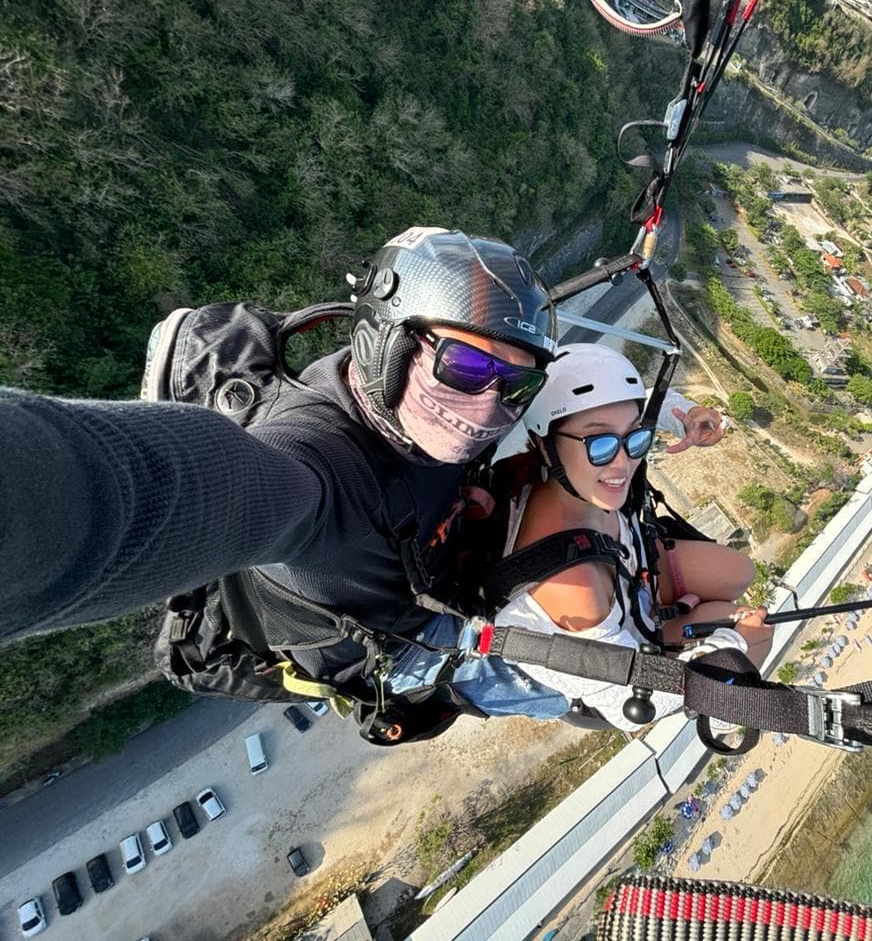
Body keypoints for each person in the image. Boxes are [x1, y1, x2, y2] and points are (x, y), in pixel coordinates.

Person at [0, 227, 729, 717]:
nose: (488, 403)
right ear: (388, 342)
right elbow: (131, 495)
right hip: (410, 650)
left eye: (514, 384)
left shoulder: (418, 405)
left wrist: (672, 415)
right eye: (464, 366)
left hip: (444, 562)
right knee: (625, 697)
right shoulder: (308, 473)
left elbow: (571, 393)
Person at [487, 343, 773, 730]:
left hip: (633, 571)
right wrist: (733, 648)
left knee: (739, 573)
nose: (623, 462)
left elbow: (626, 414)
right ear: (545, 443)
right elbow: (625, 705)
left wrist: (685, 414)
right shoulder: (573, 585)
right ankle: (725, 709)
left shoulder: (576, 476)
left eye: (635, 439)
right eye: (600, 444)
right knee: (749, 631)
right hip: (626, 654)